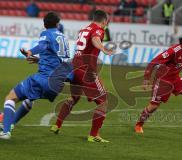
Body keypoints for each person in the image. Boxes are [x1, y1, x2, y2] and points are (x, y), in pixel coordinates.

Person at [0, 12, 70, 140]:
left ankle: (5, 131)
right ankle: (10, 125)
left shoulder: (46, 33)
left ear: (44, 24)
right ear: (57, 24)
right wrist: (40, 60)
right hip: (57, 84)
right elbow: (61, 60)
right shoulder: (64, 38)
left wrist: (30, 51)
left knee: (10, 97)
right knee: (29, 99)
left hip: (43, 79)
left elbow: (42, 46)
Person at [50, 10, 114, 143]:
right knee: (103, 102)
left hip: (75, 67)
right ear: (104, 21)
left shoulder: (84, 29)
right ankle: (93, 135)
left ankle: (57, 125)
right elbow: (95, 39)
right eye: (106, 22)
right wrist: (103, 49)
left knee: (74, 97)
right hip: (87, 71)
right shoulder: (98, 29)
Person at [134, 32, 182, 135]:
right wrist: (146, 79)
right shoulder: (173, 51)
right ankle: (139, 124)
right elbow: (153, 62)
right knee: (153, 106)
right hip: (163, 80)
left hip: (175, 79)